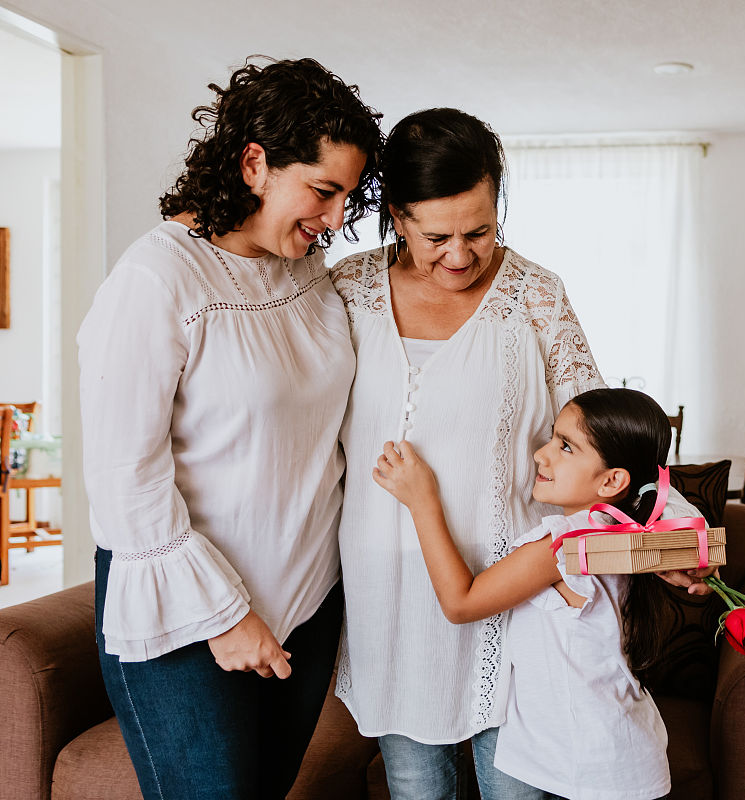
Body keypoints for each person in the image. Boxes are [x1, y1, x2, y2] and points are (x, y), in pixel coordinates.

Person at [331, 108, 708, 799]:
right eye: (435, 235)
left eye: (479, 230)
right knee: (416, 789)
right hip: (390, 600)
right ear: (396, 216)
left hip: (513, 601)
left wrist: (672, 539)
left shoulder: (536, 295)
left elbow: (608, 437)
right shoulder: (345, 291)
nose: (459, 255)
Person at [77, 57, 382, 799]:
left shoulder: (307, 271)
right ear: (255, 162)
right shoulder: (155, 282)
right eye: (322, 190)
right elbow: (126, 480)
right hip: (188, 613)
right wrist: (226, 615)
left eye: (347, 195)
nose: (335, 219)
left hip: (306, 606)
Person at [374, 388, 691, 799]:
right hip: (624, 758)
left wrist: (422, 501)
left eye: (565, 446)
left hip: (595, 771)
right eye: (552, 438)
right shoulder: (632, 535)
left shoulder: (562, 545)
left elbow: (461, 602)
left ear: (613, 480)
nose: (541, 454)